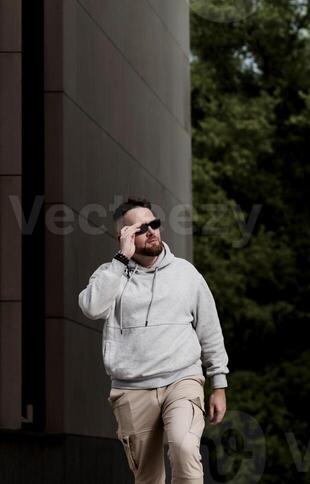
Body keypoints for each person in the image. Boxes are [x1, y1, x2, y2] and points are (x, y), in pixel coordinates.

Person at [78, 196, 229, 483]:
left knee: (184, 448)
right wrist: (121, 260)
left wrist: (219, 382)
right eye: (140, 228)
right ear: (124, 237)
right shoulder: (111, 274)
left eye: (154, 224)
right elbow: (91, 307)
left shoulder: (186, 274)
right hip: (132, 389)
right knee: (148, 477)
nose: (151, 231)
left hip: (181, 379)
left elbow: (210, 329)